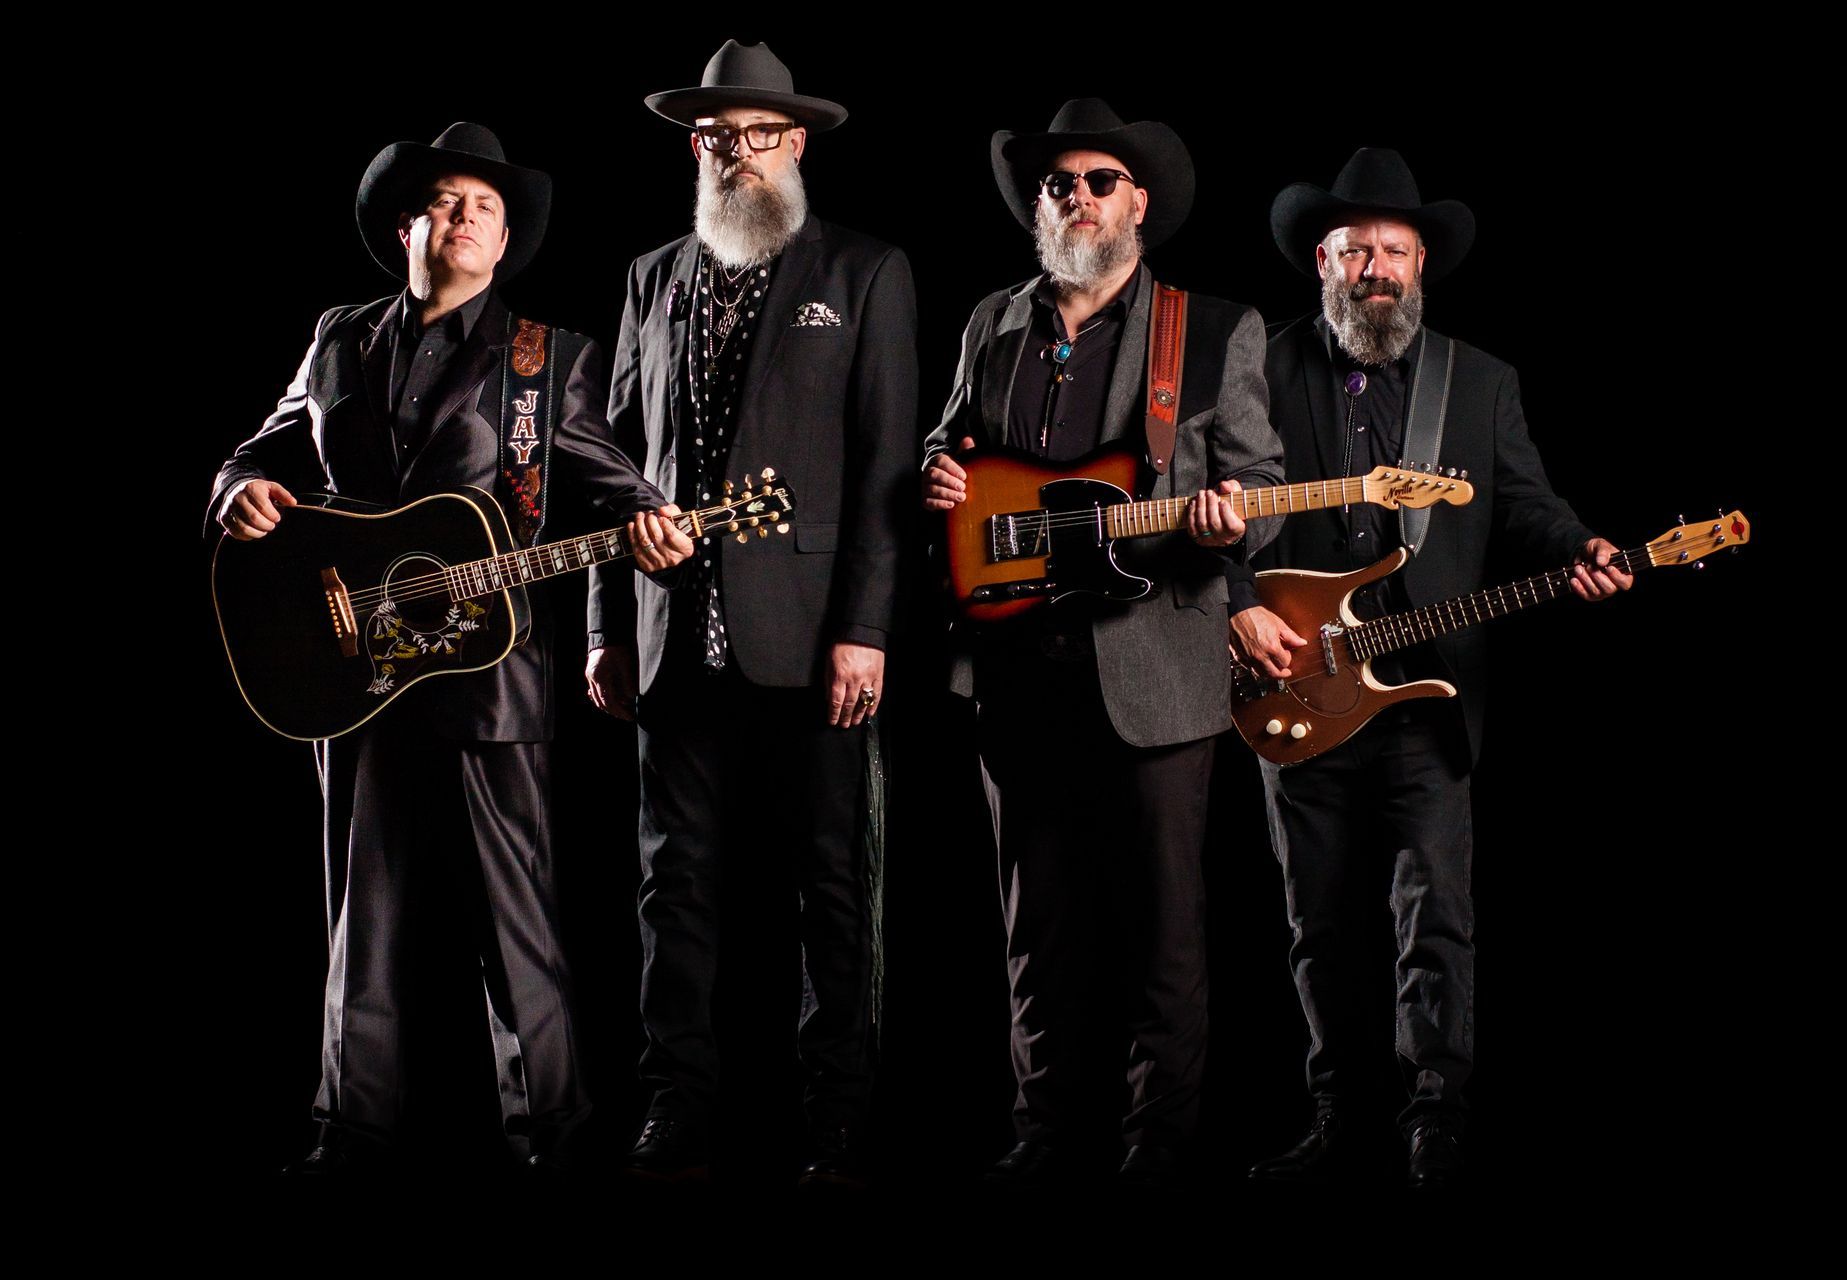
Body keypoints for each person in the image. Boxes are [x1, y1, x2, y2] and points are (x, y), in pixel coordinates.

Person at [209, 122, 690, 1173]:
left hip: (488, 670)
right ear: (407, 225)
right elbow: (255, 452)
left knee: (515, 922)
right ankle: (348, 1133)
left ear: (505, 240)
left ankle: (552, 1135)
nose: (466, 217)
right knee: (362, 913)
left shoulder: (548, 359)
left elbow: (619, 486)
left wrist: (658, 528)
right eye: (446, 201)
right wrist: (236, 491)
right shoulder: (338, 339)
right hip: (346, 667)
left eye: (485, 207)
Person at [1231, 148, 1630, 1189]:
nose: (1375, 267)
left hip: (1429, 697)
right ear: (1322, 260)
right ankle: (1337, 1114)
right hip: (1301, 685)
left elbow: (1528, 505)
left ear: (1421, 265)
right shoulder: (1259, 365)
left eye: (1394, 250)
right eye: (1355, 248)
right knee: (1317, 921)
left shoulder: (1479, 380)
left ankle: (1435, 1120)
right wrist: (1237, 609)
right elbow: (1216, 503)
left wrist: (1579, 546)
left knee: (1436, 917)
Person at [921, 99, 1283, 1187]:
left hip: (1154, 661)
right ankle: (1043, 1134)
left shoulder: (1210, 329)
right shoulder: (994, 320)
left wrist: (1231, 522)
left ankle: (1154, 1146)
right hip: (1014, 662)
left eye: (1097, 180)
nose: (1075, 196)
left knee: (1163, 925)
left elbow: (1259, 483)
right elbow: (951, 438)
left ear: (1139, 203)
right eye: (1058, 183)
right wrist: (938, 472)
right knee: (1035, 924)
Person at [584, 41, 919, 1185]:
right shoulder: (650, 277)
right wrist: (606, 625)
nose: (741, 153)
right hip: (671, 633)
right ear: (697, 149)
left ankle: (836, 1112)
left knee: (831, 880)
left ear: (797, 143)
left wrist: (866, 627)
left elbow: (885, 467)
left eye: (761, 134)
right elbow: (615, 467)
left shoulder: (865, 270)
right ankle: (676, 1103)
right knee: (671, 883)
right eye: (720, 137)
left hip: (814, 634)